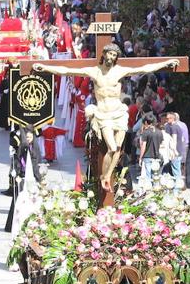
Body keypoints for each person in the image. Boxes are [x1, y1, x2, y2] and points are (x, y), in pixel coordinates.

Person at [34, 45, 179, 191]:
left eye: (114, 55)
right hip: (103, 114)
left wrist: (165, 64)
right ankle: (104, 176)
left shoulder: (120, 71)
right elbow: (67, 70)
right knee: (111, 146)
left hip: (118, 113)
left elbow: (144, 68)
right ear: (104, 54)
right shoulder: (94, 71)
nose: (111, 57)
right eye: (109, 54)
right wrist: (45, 67)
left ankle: (107, 176)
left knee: (117, 148)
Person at [138, 113, 164, 181]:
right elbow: (161, 145)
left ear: (146, 122)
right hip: (157, 156)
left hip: (147, 156)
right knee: (155, 176)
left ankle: (149, 189)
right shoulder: (159, 132)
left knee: (148, 176)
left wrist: (140, 157)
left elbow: (143, 146)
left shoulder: (145, 132)